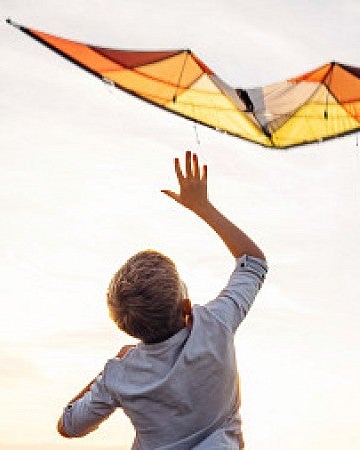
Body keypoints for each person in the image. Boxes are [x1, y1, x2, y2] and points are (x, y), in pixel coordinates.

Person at [57, 150, 267, 449]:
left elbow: (69, 426)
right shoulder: (214, 325)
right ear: (185, 307)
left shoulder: (119, 375)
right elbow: (253, 263)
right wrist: (202, 207)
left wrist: (113, 368)